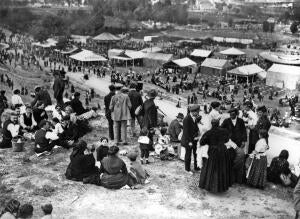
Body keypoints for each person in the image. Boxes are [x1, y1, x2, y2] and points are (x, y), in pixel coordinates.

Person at [199, 119, 232, 193]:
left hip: (213, 151)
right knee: (222, 168)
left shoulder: (209, 132)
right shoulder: (224, 131)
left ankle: (211, 187)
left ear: (211, 124)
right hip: (223, 150)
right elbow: (226, 140)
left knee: (211, 168)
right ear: (218, 123)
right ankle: (221, 187)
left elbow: (202, 142)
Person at [221, 108, 247, 183]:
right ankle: (230, 176)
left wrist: (244, 141)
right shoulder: (226, 121)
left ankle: (237, 178)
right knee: (231, 158)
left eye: (233, 114)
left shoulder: (241, 121)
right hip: (230, 144)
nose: (231, 116)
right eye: (230, 114)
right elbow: (221, 129)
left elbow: (244, 131)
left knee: (238, 158)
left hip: (238, 142)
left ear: (236, 114)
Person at [181, 105, 201, 174]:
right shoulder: (186, 119)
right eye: (197, 112)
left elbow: (195, 126)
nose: (198, 113)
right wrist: (189, 141)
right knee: (188, 155)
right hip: (188, 140)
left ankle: (196, 167)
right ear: (193, 112)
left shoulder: (193, 117)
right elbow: (186, 132)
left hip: (194, 139)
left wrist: (198, 132)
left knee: (195, 153)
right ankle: (187, 169)